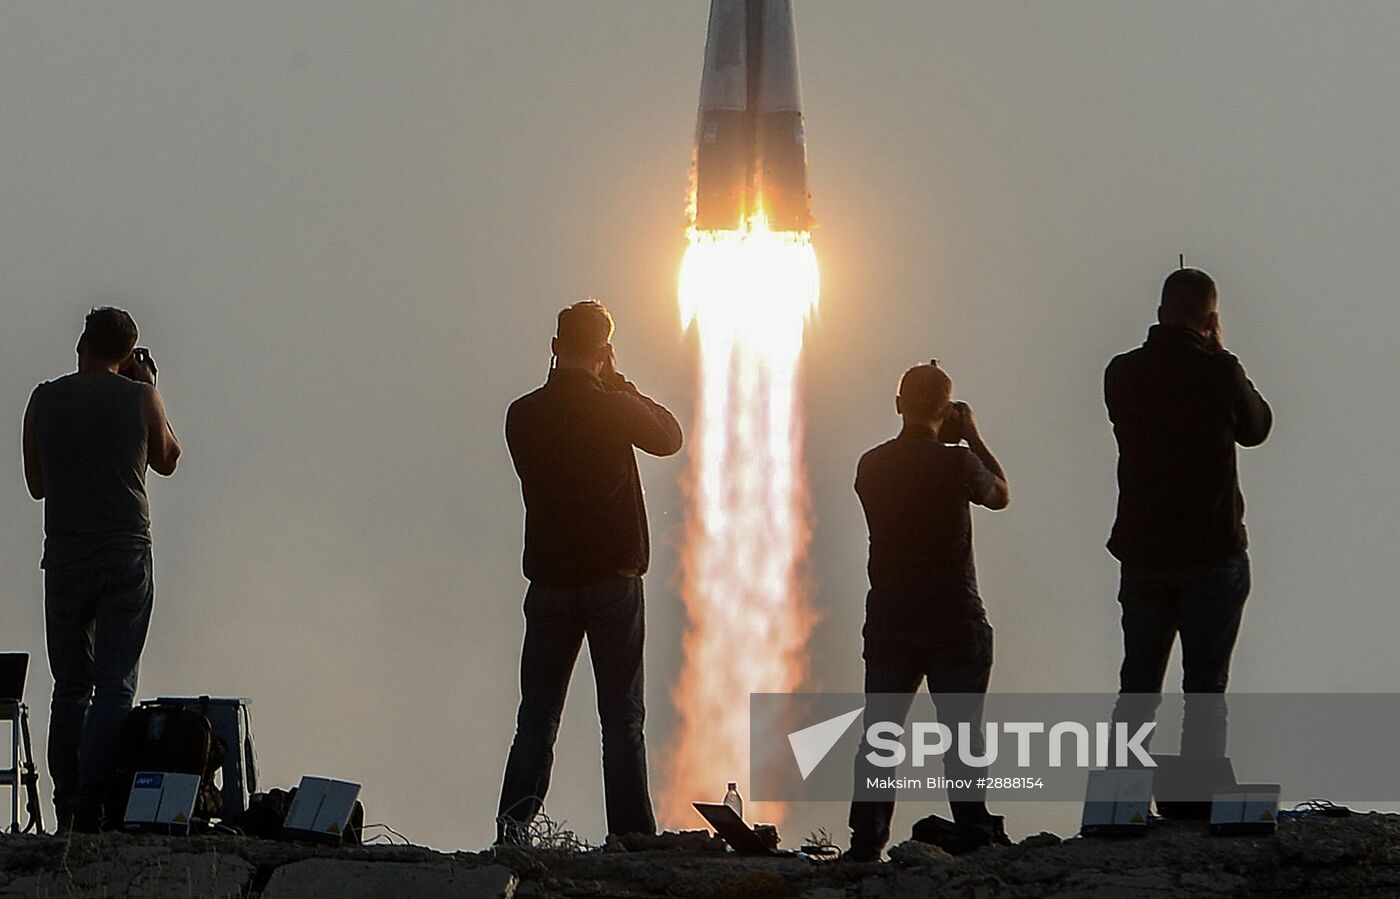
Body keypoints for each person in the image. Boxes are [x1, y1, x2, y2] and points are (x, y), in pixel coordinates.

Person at [497, 299, 683, 843]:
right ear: (603, 351)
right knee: (621, 719)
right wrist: (619, 383)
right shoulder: (612, 406)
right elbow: (668, 437)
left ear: (555, 347)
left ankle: (514, 828)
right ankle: (630, 835)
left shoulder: (523, 413)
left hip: (551, 581)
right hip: (613, 581)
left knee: (537, 717)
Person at [21, 307, 182, 830]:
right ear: (129, 354)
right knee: (114, 684)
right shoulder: (141, 397)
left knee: (69, 685)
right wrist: (151, 388)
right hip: (124, 552)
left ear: (82, 343)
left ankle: (66, 800)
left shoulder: (43, 400)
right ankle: (93, 803)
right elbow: (168, 458)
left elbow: (37, 485)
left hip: (65, 555)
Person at [845, 361, 1011, 862]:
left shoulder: (871, 466)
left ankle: (866, 840)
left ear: (898, 404)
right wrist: (972, 437)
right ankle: (975, 830)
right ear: (947, 409)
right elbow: (1000, 494)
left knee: (880, 733)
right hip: (954, 616)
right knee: (961, 734)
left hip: (893, 617)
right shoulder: (958, 464)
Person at [1105, 268, 1272, 763]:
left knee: (1137, 687)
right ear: (1211, 319)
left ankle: (1122, 795)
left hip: (1145, 553)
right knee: (1204, 690)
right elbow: (1257, 427)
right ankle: (1196, 798)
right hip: (1211, 551)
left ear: (1160, 314)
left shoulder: (1122, 372)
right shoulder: (1220, 371)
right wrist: (1220, 354)